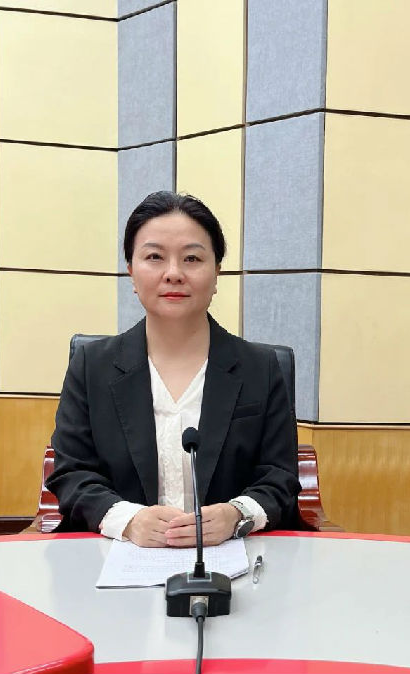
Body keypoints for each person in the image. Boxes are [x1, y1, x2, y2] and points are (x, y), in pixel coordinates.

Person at [46, 191, 300, 547]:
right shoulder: (91, 367)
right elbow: (72, 473)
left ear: (216, 272)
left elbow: (279, 477)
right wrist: (129, 520)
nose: (174, 273)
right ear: (131, 271)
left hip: (232, 554)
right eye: (154, 257)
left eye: (192, 258)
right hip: (115, 554)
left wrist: (235, 514)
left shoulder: (261, 368)